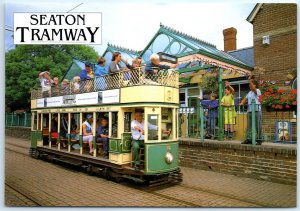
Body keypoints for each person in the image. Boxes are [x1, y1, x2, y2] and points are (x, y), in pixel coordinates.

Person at [239, 75, 262, 145]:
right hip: (250, 111)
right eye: (249, 84)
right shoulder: (249, 93)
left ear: (255, 85)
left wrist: (249, 80)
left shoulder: (257, 90)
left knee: (258, 125)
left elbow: (253, 89)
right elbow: (244, 99)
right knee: (249, 126)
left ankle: (259, 139)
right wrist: (241, 103)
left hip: (257, 110)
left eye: (251, 84)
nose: (249, 85)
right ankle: (248, 139)